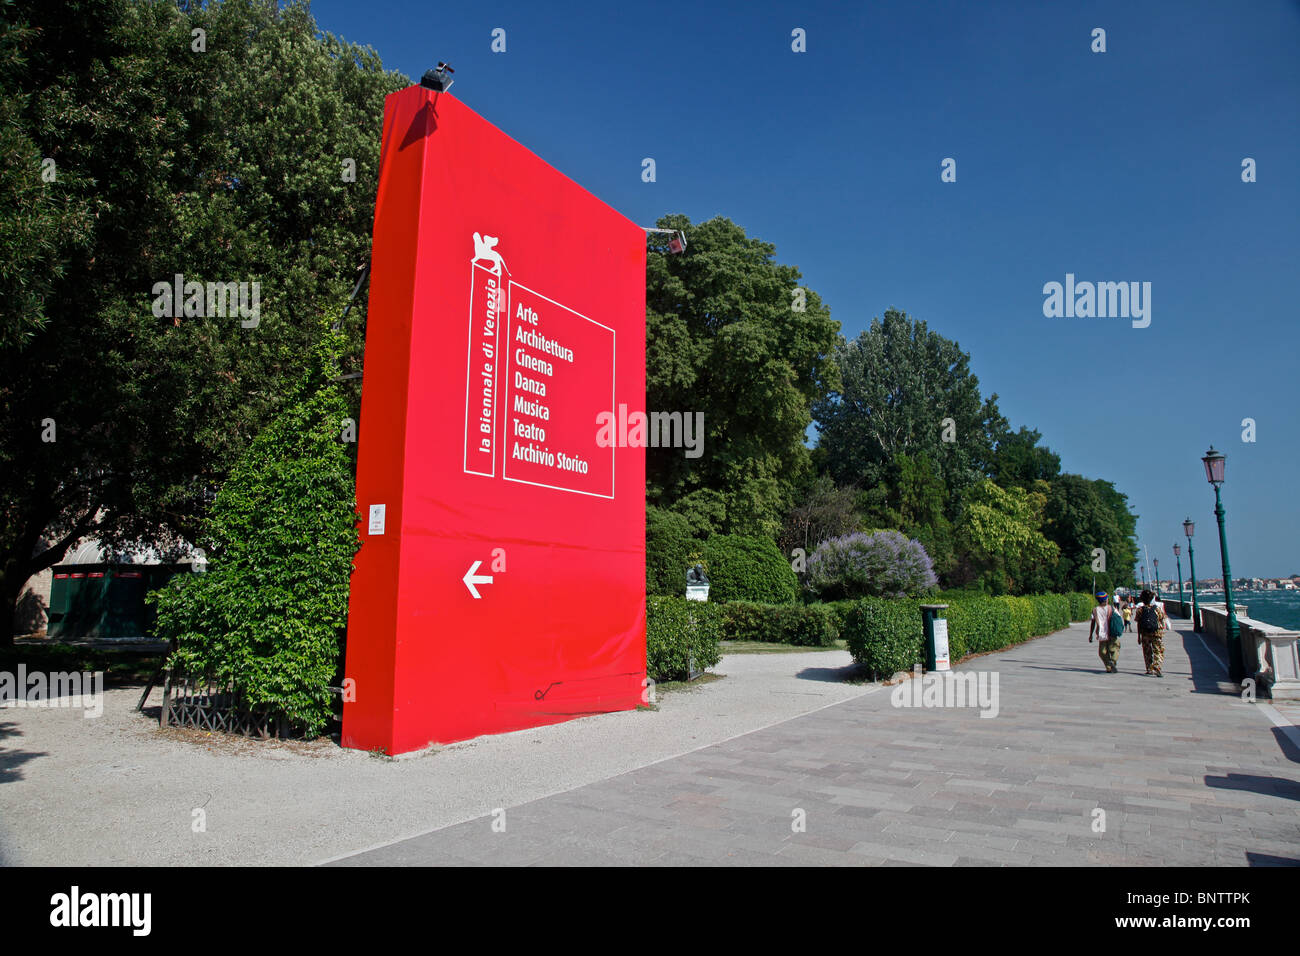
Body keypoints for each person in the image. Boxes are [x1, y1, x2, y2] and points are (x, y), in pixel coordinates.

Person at [1135, 588, 1167, 677]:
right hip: (1157, 633)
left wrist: (1139, 636)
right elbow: (1162, 619)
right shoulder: (1157, 609)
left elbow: (1139, 624)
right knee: (1158, 650)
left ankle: (1149, 669)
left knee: (1147, 651)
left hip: (1145, 633)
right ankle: (1157, 667)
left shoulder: (1140, 610)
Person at [1088, 590, 1121, 673]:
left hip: (1101, 634)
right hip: (1112, 632)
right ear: (1106, 599)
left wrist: (1090, 634)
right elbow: (1119, 619)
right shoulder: (1112, 608)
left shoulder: (1095, 610)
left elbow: (1093, 623)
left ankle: (1108, 666)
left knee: (1102, 652)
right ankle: (1112, 662)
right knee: (1114, 649)